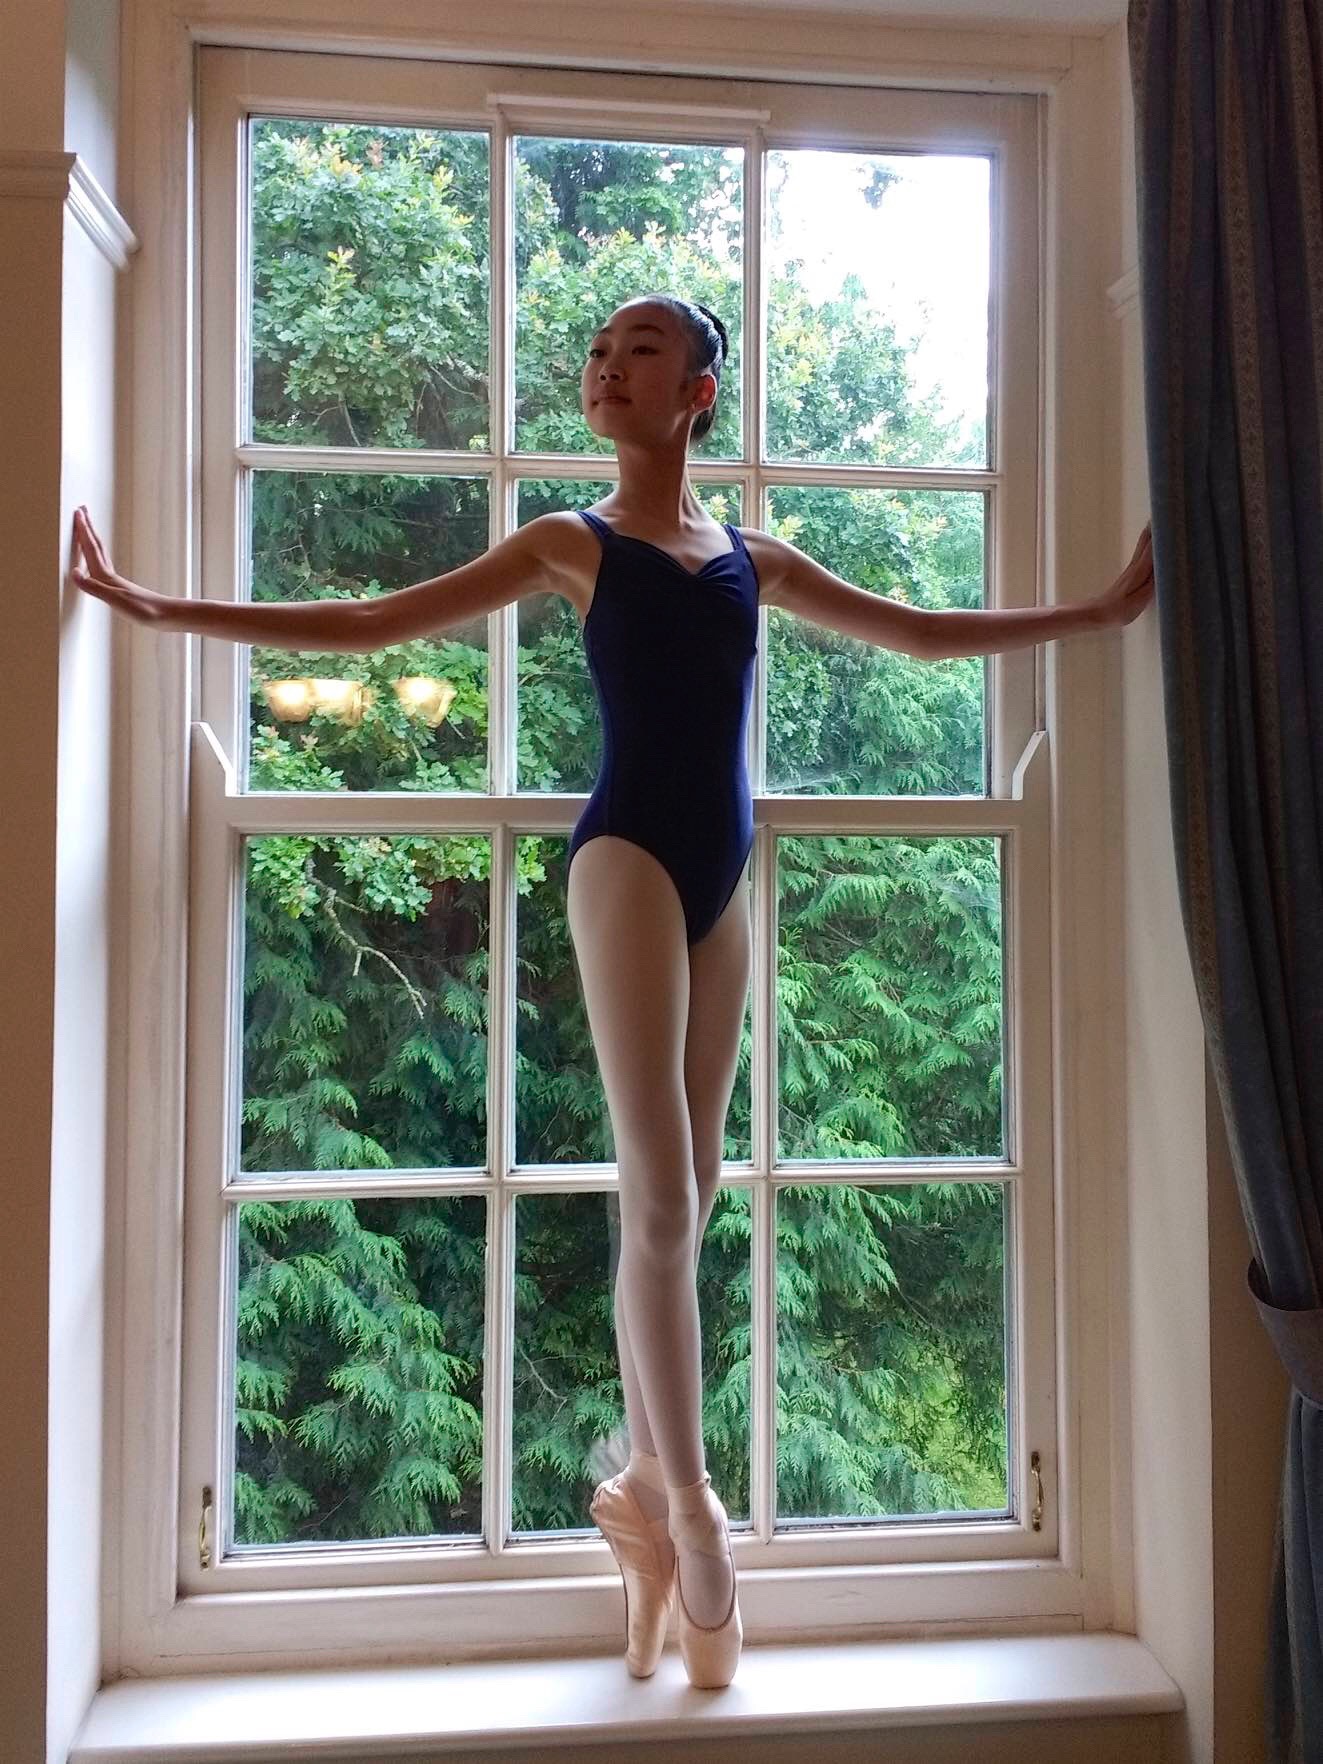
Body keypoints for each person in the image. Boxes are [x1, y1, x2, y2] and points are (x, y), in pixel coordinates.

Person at [71, 291, 1155, 1688]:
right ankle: (695, 1515)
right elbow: (367, 622)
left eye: (639, 350)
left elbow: (926, 635)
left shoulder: (754, 559)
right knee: (656, 1196)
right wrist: (155, 603)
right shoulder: (567, 544)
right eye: (596, 352)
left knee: (694, 1190)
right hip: (628, 858)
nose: (605, 368)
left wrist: (1098, 610)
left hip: (724, 878)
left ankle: (641, 1492)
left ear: (699, 389)